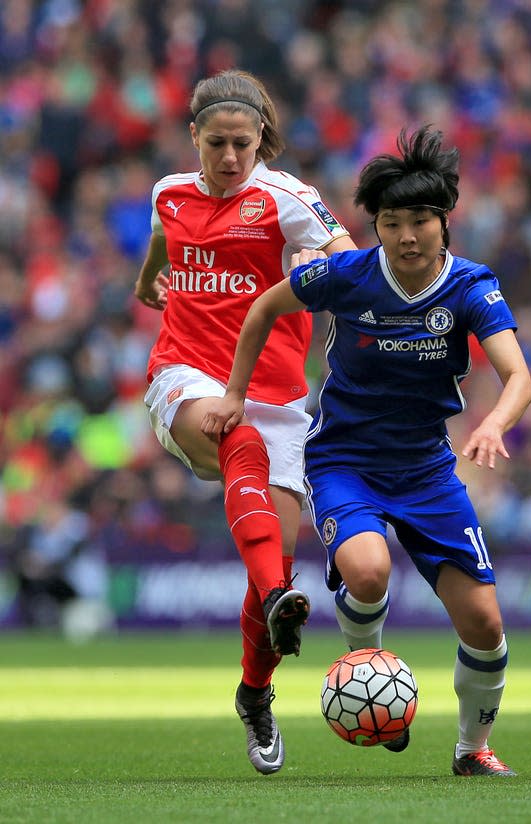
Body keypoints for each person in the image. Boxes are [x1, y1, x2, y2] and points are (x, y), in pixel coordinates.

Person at [203, 125, 531, 776]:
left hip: (428, 471)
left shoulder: (470, 287)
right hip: (344, 461)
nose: (406, 236)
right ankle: (368, 668)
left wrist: (495, 423)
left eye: (419, 221)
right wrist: (235, 392)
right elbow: (265, 308)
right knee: (367, 571)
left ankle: (472, 752)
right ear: (375, 227)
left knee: (486, 625)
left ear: (444, 222)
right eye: (390, 222)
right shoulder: (347, 274)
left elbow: (519, 376)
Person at [134, 68, 356, 775]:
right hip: (189, 377)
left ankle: (255, 694)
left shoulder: (286, 197)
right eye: (218, 145)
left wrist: (336, 271)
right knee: (240, 439)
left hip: (279, 393)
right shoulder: (170, 193)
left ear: (263, 139)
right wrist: (148, 284)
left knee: (279, 556)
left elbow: (347, 252)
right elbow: (161, 246)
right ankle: (273, 596)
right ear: (193, 136)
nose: (231, 159)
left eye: (244, 145)